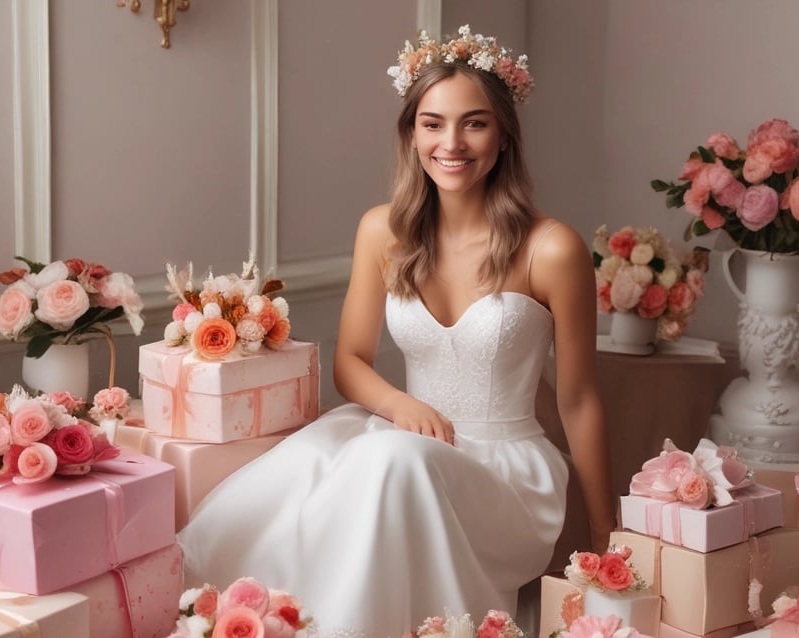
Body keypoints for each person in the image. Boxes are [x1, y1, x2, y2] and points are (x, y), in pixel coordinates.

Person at [177, 25, 615, 637]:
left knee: (387, 461)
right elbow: (351, 361)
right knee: (341, 470)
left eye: (475, 123)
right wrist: (399, 405)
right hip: (398, 440)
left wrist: (605, 534)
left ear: (506, 135)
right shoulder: (382, 231)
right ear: (412, 134)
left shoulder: (552, 248)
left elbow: (578, 399)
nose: (451, 143)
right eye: (432, 123)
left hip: (504, 473)